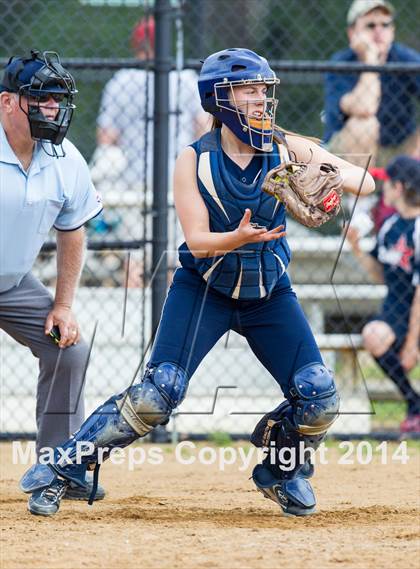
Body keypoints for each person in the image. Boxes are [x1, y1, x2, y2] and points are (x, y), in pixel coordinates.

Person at [22, 48, 375, 518]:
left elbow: (366, 182)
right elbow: (199, 241)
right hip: (203, 288)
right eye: (248, 90)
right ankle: (65, 467)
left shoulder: (285, 146)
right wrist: (240, 236)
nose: (261, 100)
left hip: (267, 295)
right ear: (219, 98)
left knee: (320, 397)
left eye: (264, 91)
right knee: (156, 394)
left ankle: (282, 469)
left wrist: (325, 173)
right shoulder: (196, 159)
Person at [0, 50, 105, 504]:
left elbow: (72, 230)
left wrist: (62, 306)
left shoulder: (65, 158)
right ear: (7, 102)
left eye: (57, 101)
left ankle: (58, 464)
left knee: (69, 347)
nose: (51, 110)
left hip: (12, 282)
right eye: (40, 100)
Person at [90, 16, 208, 243]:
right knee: (176, 251)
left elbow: (106, 137)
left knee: (136, 252)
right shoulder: (185, 79)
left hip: (132, 179)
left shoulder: (121, 81)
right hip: (179, 175)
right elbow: (202, 130)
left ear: (137, 44)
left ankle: (136, 276)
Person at [346, 156, 420, 433]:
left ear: (400, 187)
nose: (383, 188)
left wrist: (412, 344)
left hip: (416, 310)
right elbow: (380, 273)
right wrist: (356, 247)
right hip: (396, 310)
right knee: (373, 335)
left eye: (387, 182)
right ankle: (415, 404)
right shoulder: (390, 225)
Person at [323, 0, 420, 168]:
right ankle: (359, 194)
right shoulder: (341, 63)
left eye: (385, 24)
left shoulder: (405, 58)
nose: (379, 31)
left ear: (393, 30)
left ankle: (407, 192)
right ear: (352, 33)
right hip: (346, 154)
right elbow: (364, 108)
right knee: (364, 125)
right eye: (370, 26)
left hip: (398, 149)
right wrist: (371, 59)